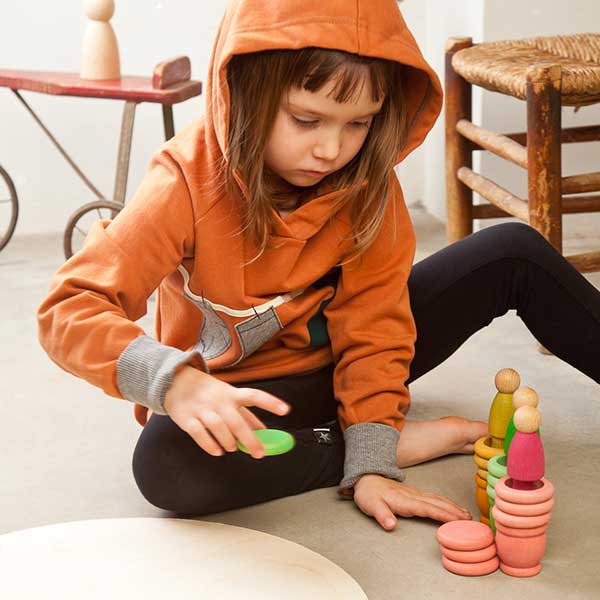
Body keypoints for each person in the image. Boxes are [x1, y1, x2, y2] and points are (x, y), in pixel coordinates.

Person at [37, 0, 600, 533]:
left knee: (512, 251)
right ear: (248, 91)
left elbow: (377, 326)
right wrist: (175, 382)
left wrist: (373, 458)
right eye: (307, 120)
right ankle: (360, 442)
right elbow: (69, 307)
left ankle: (365, 437)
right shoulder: (184, 180)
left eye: (358, 124)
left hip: (345, 366)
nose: (332, 149)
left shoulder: (366, 182)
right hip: (245, 395)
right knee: (166, 467)